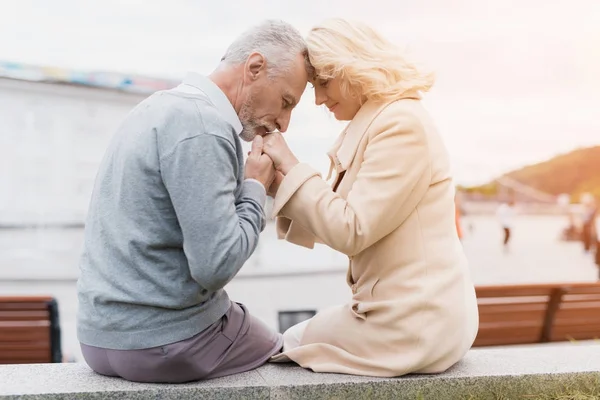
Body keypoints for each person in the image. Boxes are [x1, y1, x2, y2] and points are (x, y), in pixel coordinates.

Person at [76, 20, 311, 383]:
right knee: (292, 352)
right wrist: (253, 187)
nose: (284, 123)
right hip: (170, 343)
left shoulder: (154, 108)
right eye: (286, 102)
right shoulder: (206, 126)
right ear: (254, 67)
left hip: (97, 342)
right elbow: (215, 266)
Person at [262, 18, 479, 377]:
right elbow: (339, 218)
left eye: (323, 83)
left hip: (414, 325)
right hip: (421, 316)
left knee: (285, 345)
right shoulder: (384, 123)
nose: (317, 99)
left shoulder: (400, 125)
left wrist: (290, 163)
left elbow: (352, 229)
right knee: (293, 342)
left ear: (350, 68)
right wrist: (276, 185)